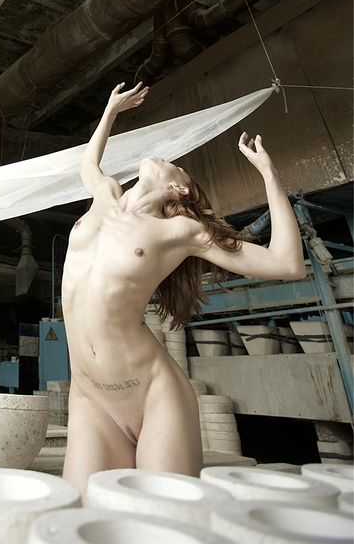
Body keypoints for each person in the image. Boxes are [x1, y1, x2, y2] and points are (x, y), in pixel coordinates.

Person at [61, 81, 306, 497]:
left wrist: (269, 174)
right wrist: (110, 112)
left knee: (164, 518)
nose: (163, 156)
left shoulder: (179, 231)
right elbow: (88, 163)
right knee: (79, 515)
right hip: (89, 396)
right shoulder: (105, 195)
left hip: (153, 394)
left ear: (180, 188)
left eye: (173, 164)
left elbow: (287, 264)